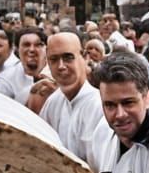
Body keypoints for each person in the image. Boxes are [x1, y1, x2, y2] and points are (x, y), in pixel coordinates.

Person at [40, 31, 104, 159]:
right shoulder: (53, 102)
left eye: (68, 57)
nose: (61, 66)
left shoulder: (99, 106)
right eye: (54, 59)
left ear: (85, 57)